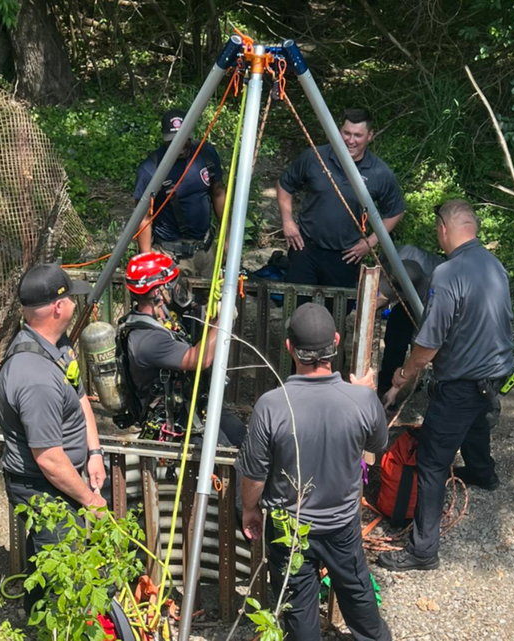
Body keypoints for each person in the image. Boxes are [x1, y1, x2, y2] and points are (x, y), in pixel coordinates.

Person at [236, 303, 391, 641]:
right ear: (335, 342)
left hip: (290, 529)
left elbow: (255, 476)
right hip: (342, 525)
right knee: (357, 595)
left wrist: (249, 510)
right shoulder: (362, 400)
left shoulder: (271, 405)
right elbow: (379, 444)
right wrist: (365, 394)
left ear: (289, 347)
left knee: (298, 612)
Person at [376, 200, 514, 573]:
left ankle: (423, 551)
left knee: (432, 462)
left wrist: (402, 377)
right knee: (474, 419)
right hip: (496, 373)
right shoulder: (494, 266)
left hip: (464, 381)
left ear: (442, 229)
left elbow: (427, 345)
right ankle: (483, 473)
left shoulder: (448, 273)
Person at [0, 264, 108, 616]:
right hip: (43, 487)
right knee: (64, 573)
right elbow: (48, 459)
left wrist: (94, 451)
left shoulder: (54, 345)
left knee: (47, 562)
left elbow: (79, 397)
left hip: (61, 477)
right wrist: (90, 501)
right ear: (58, 307)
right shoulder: (35, 376)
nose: (75, 302)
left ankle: (37, 617)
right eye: (71, 297)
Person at [117, 252, 246, 450]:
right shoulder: (148, 339)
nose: (178, 288)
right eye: (173, 284)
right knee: (229, 457)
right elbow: (199, 359)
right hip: (176, 423)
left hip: (193, 406)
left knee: (242, 436)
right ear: (158, 292)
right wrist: (225, 319)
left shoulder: (160, 317)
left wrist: (213, 316)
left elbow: (200, 339)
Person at [278, 108, 406, 289]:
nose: (351, 140)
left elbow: (395, 211)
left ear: (370, 136)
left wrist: (370, 243)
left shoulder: (380, 173)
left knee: (336, 312)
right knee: (297, 308)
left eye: (358, 135)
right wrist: (287, 221)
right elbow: (285, 185)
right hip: (304, 246)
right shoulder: (315, 156)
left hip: (346, 255)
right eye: (346, 133)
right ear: (339, 131)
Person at [133, 108, 227, 279]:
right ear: (164, 139)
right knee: (174, 304)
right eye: (173, 141)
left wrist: (227, 236)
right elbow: (143, 218)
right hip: (171, 254)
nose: (180, 145)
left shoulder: (205, 154)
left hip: (206, 250)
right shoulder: (151, 169)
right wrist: (147, 262)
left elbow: (218, 192)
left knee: (213, 302)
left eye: (184, 138)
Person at [375, 245, 445, 397]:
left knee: (420, 347)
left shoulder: (435, 292)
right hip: (412, 282)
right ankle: (385, 382)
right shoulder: (397, 254)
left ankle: (407, 387)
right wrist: (378, 300)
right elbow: (382, 273)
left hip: (429, 300)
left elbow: (423, 342)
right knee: (395, 329)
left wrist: (403, 379)